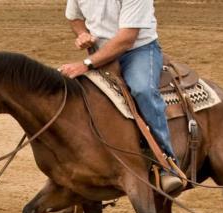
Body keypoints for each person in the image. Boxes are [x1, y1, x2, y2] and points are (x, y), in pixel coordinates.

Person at [58, 0, 183, 194]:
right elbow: (73, 17)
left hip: (138, 51)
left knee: (142, 90)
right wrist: (82, 33)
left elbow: (127, 38)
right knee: (79, 97)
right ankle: (82, 179)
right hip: (99, 51)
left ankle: (167, 163)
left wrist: (86, 64)